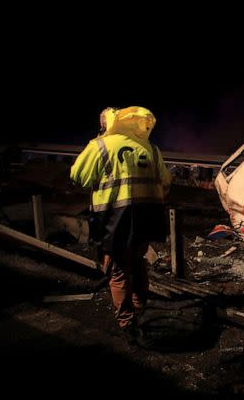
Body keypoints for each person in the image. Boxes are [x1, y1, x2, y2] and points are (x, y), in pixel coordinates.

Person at [70, 106, 171, 342]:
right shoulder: (150, 148)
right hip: (146, 216)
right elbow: (165, 181)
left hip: (114, 219)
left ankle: (127, 325)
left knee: (118, 271)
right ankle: (141, 309)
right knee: (138, 262)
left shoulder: (100, 146)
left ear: (107, 124)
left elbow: (78, 176)